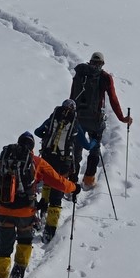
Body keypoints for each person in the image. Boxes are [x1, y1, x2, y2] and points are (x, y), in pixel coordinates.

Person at [0, 132, 78, 278]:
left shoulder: (4, 162)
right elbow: (58, 181)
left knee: (4, 250)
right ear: (32, 147)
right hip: (26, 213)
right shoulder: (36, 162)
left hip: (4, 213)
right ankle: (18, 274)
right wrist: (74, 187)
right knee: (24, 242)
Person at [34, 100, 95, 242]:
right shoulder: (74, 123)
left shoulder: (53, 118)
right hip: (63, 163)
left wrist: (48, 137)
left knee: (48, 183)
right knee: (57, 193)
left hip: (47, 158)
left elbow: (38, 132)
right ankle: (50, 229)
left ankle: (42, 209)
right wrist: (95, 141)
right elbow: (86, 145)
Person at [68, 51, 131, 189]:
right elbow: (113, 99)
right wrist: (121, 118)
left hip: (78, 118)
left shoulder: (80, 73)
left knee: (76, 149)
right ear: (102, 63)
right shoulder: (105, 77)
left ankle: (72, 180)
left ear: (90, 61)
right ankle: (89, 179)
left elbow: (73, 95)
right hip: (96, 120)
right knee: (94, 148)